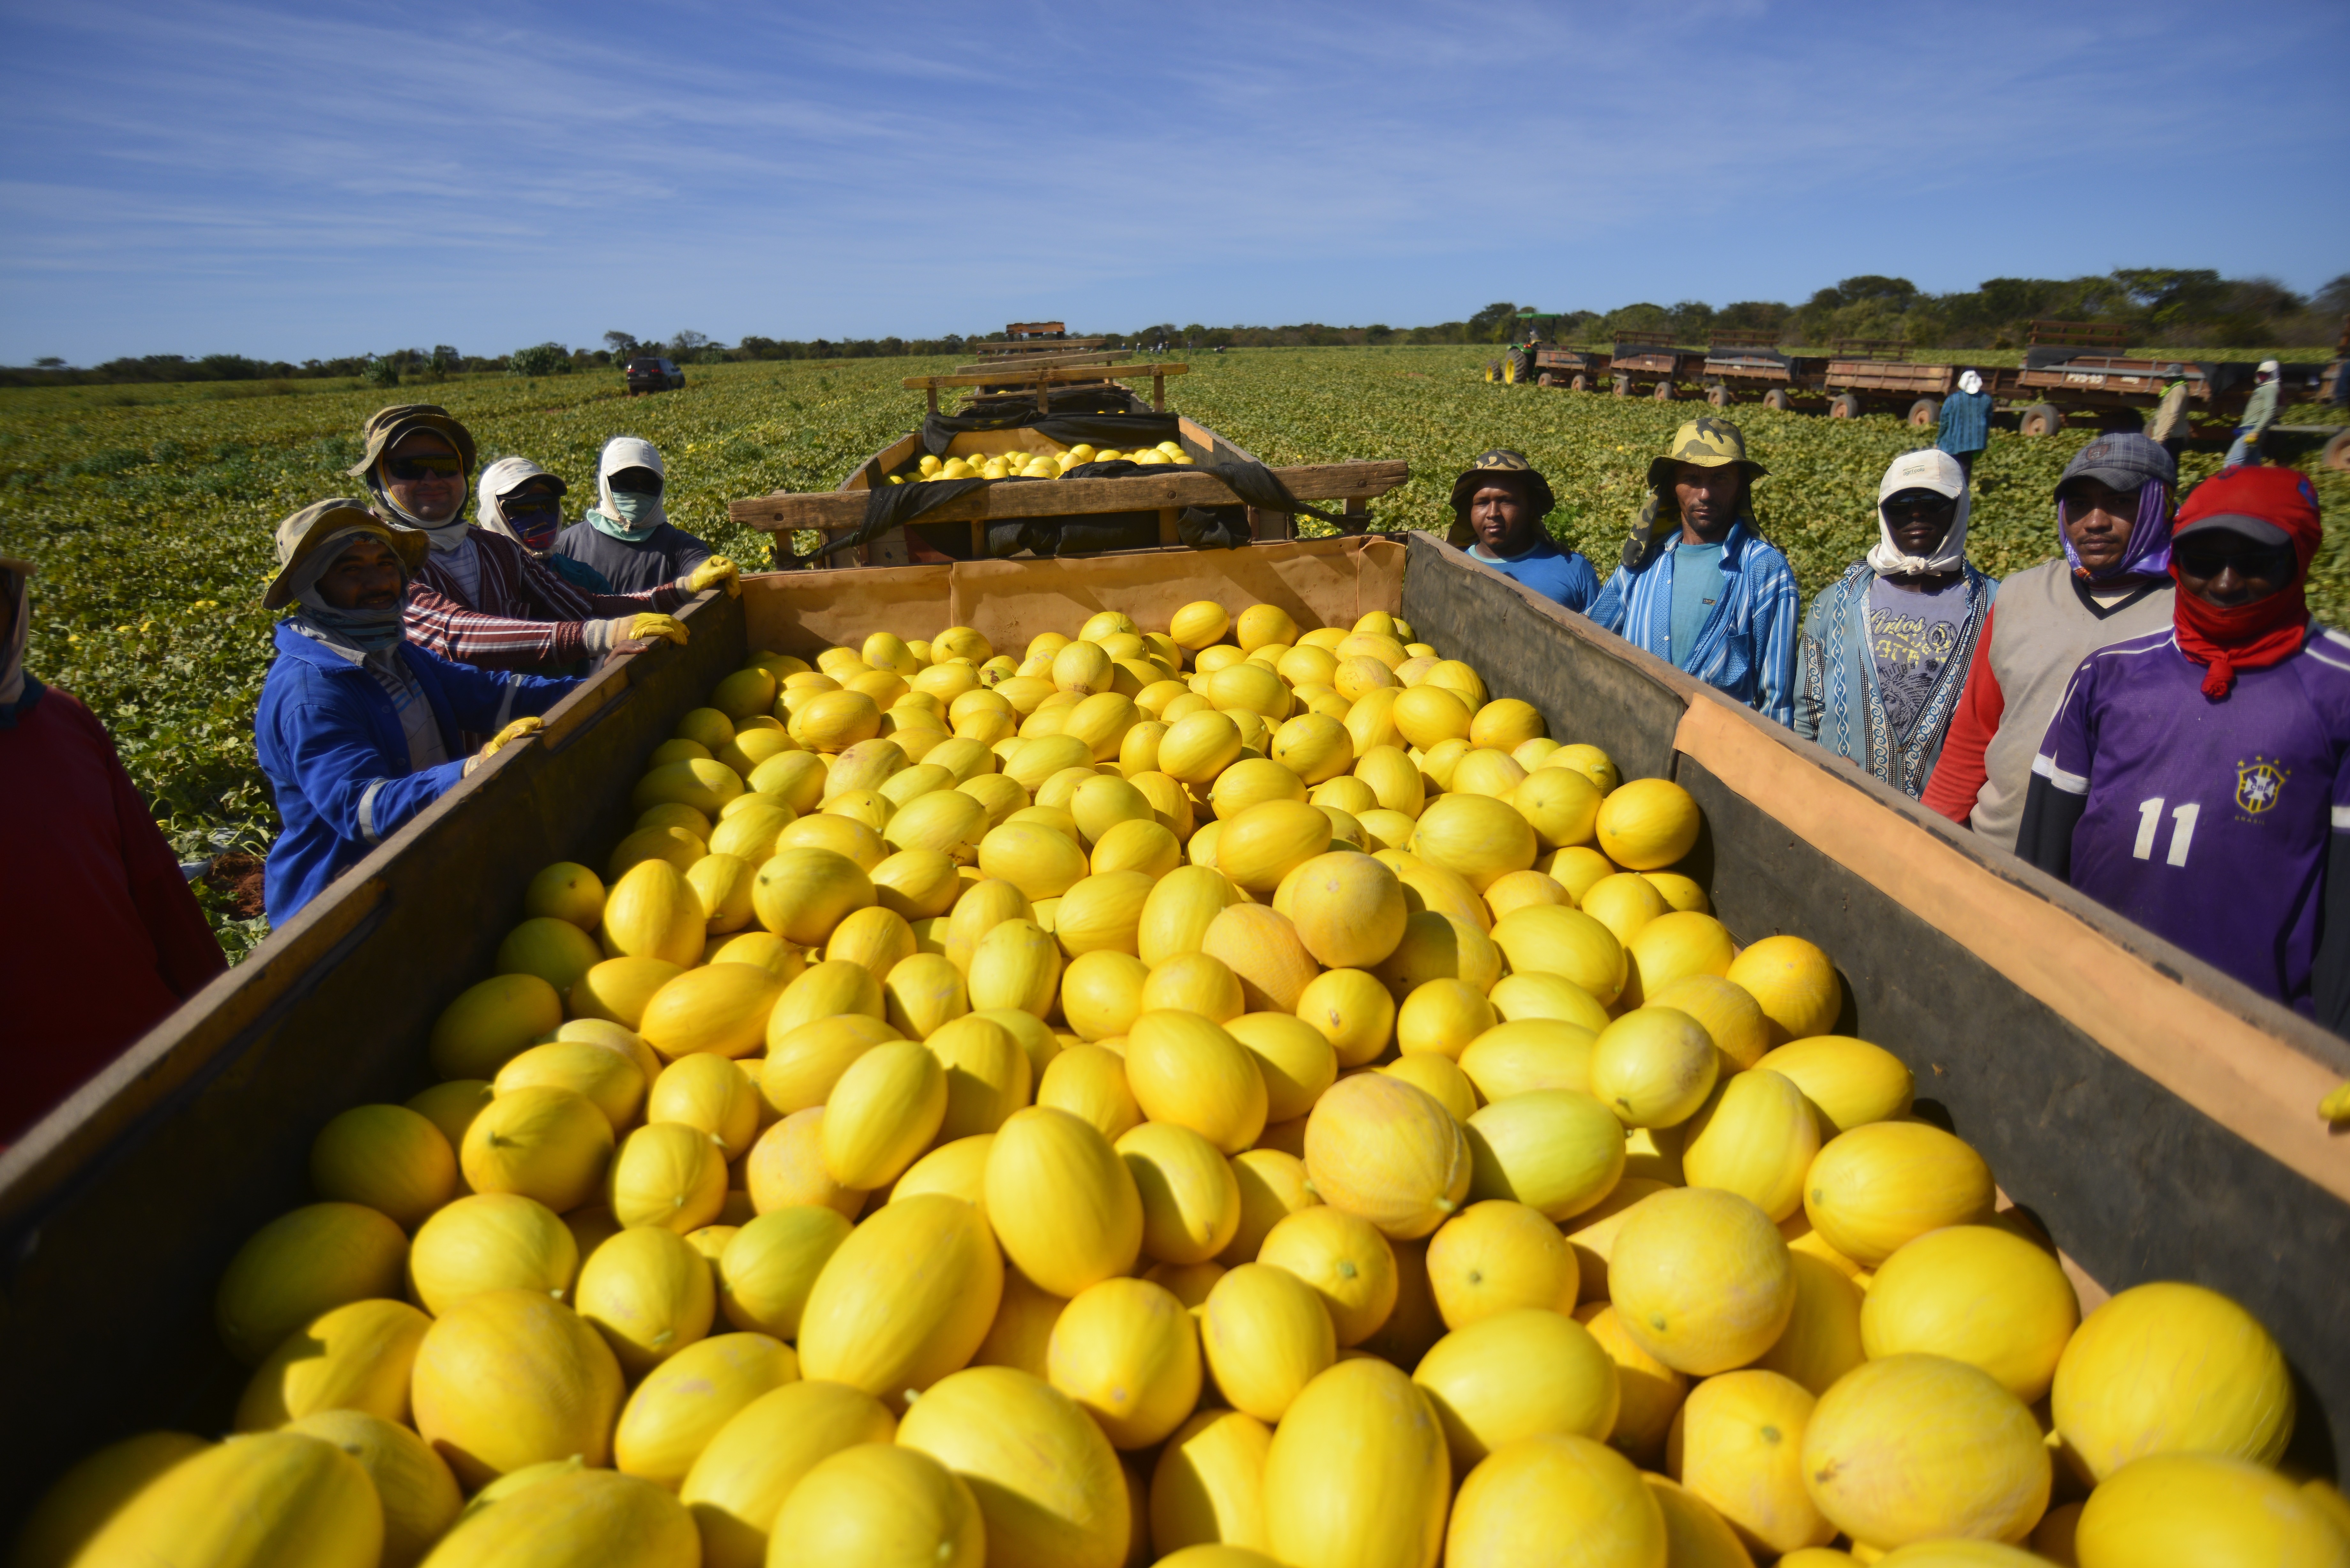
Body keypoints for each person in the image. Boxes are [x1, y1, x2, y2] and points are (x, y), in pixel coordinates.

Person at [2016, 467, 2348, 1029]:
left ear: (2300, 560)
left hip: (2254, 1024)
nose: (2224, 583)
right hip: (2090, 993)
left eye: (2255, 562)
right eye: (2201, 561)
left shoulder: (2336, 690)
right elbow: (2044, 852)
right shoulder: (2110, 674)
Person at [255, 500, 580, 922]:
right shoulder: (312, 692)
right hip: (344, 912)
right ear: (311, 584)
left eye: (386, 564)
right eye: (350, 570)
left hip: (420, 864)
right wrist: (468, 772)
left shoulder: (394, 651)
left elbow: (489, 694)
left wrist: (596, 684)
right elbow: (363, 809)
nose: (378, 582)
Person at [0, 556, 227, 1141]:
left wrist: (218, 1011)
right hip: (25, 1124)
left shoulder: (61, 716)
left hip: (146, 1048)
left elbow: (154, 883)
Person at [1923, 434, 2178, 847]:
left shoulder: (2187, 614)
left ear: (2160, 505)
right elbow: (1975, 731)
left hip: (2111, 874)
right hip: (1996, 850)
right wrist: (1932, 833)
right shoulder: (2021, 595)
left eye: (2119, 501)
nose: (2095, 521)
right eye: (2078, 505)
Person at [347, 407, 730, 672]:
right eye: (408, 468)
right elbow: (458, 633)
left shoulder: (494, 550)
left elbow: (582, 603)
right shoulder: (377, 562)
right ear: (378, 480)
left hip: (510, 731)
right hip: (433, 763)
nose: (431, 480)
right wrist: (601, 635)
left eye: (446, 466)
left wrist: (682, 588)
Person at [1795, 449, 1997, 797]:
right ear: (1883, 511)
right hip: (1835, 807)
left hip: (1944, 826)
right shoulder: (1834, 604)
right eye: (1901, 504)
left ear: (1959, 507)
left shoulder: (1997, 606)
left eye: (1932, 502)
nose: (1916, 513)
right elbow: (1806, 713)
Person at [1591, 418, 1800, 726]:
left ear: (1740, 485)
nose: (1705, 494)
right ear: (1672, 486)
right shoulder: (1642, 565)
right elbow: (1589, 638)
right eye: (1692, 479)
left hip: (1716, 758)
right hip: (1633, 737)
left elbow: (1777, 700)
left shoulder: (1765, 570)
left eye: (1720, 479)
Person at [554, 436, 720, 594]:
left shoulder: (683, 548)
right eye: (626, 482)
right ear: (605, 482)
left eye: (649, 483)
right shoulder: (565, 546)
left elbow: (700, 571)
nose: (638, 492)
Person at [1444, 449, 1599, 611]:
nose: (1493, 514)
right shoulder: (1449, 566)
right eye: (1482, 503)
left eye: (1506, 501)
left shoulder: (1574, 570)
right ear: (1470, 509)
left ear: (1531, 507)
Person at [476, 456, 606, 594]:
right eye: (524, 507)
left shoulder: (588, 579)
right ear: (493, 514)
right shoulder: (476, 582)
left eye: (548, 505)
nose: (541, 515)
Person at [1936, 369, 1994, 481]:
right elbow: (1988, 423)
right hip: (1973, 444)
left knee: (1949, 472)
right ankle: (1963, 495)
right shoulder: (1986, 400)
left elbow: (1945, 423)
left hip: (1952, 443)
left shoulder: (1953, 400)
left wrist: (1938, 441)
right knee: (1965, 472)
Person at [2225, 359, 2283, 469]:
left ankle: (2228, 484)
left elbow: (2270, 411)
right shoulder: (2265, 387)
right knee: (2252, 465)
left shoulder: (2271, 388)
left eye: (2265, 375)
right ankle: (2252, 485)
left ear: (2273, 374)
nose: (2262, 378)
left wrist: (2256, 431)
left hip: (2252, 430)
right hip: (2250, 429)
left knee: (2233, 461)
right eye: (2260, 375)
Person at [2144, 363, 2193, 460]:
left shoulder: (2178, 390)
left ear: (2178, 378)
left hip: (2171, 437)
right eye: (2167, 377)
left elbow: (2174, 415)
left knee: (2167, 467)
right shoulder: (2175, 389)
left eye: (2171, 377)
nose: (2168, 379)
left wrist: (2162, 437)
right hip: (2170, 436)